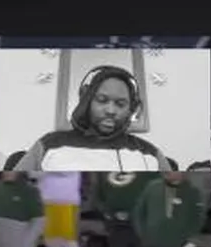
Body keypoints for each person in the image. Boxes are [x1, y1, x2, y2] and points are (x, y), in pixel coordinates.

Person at [13, 64, 168, 172]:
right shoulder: (49, 144)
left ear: (131, 110)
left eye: (120, 104)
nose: (111, 110)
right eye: (102, 100)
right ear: (86, 102)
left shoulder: (150, 154)